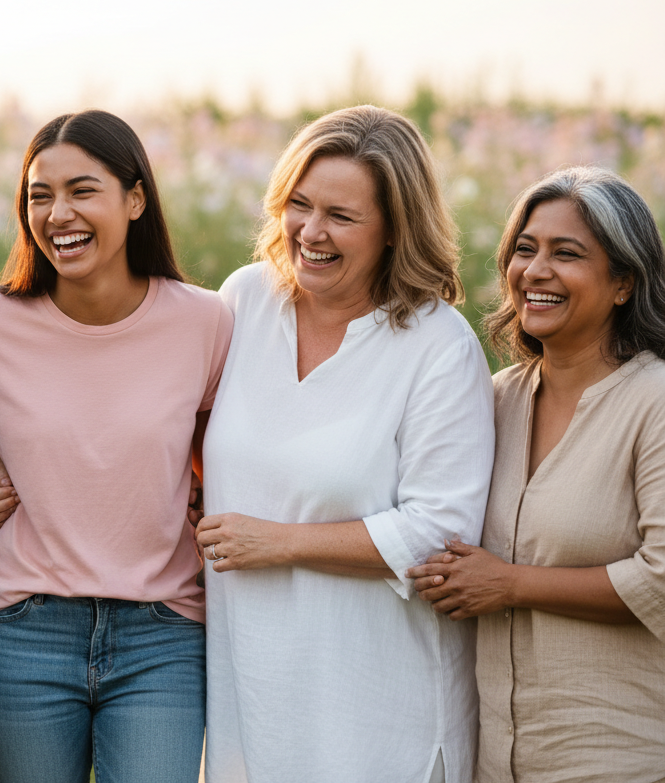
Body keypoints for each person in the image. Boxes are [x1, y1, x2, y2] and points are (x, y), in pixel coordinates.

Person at [193, 106, 494, 783]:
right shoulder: (244, 301)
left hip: (379, 702)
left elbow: (442, 527)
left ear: (394, 230)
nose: (311, 231)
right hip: (255, 687)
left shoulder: (439, 347)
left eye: (341, 216)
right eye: (298, 205)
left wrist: (282, 541)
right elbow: (170, 415)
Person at [0, 109, 233, 783]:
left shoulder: (204, 321)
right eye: (39, 195)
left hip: (162, 632)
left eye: (82, 190)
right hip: (24, 630)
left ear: (134, 199)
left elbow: (213, 466)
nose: (57, 213)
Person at [408, 167, 665, 782]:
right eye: (525, 249)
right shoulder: (491, 401)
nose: (536, 271)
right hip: (493, 764)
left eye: (566, 253)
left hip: (620, 761)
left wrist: (512, 585)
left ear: (624, 283)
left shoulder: (653, 400)